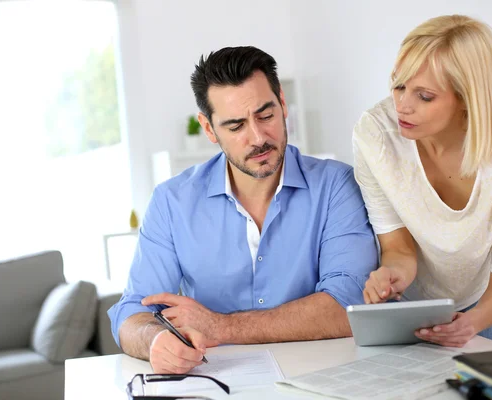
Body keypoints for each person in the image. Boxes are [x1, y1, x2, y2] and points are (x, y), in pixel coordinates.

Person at [109, 46, 378, 373]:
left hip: (322, 377)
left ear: (282, 102)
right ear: (208, 129)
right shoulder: (172, 201)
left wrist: (219, 326)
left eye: (266, 115)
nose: (258, 137)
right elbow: (134, 311)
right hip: (216, 382)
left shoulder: (336, 185)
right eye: (235, 126)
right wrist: (154, 340)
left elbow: (348, 305)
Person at [352, 15, 492, 347]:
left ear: (466, 98)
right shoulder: (376, 135)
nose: (402, 106)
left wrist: (472, 323)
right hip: (406, 304)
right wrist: (392, 275)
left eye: (424, 96)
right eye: (398, 85)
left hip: (482, 305)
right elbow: (398, 247)